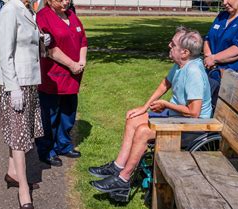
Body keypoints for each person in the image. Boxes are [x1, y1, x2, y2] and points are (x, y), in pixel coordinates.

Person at [89, 27, 212, 196]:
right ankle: (118, 166)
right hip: (179, 118)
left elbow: (194, 112)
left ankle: (123, 180)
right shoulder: (180, 65)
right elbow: (165, 84)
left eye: (173, 44)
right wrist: (144, 107)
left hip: (193, 127)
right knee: (133, 119)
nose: (169, 45)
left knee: (143, 132)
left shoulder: (193, 72)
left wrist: (166, 105)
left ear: (184, 52)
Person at [0, 0, 48, 209]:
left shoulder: (27, 9)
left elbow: (24, 43)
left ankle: (12, 173)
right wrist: (13, 88)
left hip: (29, 81)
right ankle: (24, 189)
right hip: (15, 83)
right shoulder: (9, 11)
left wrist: (41, 38)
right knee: (19, 137)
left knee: (22, 131)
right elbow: (5, 55)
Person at [35, 0, 88, 167]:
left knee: (68, 112)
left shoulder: (71, 15)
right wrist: (72, 64)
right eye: (60, 0)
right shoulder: (43, 17)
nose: (65, 2)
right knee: (49, 115)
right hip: (53, 75)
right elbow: (50, 49)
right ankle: (46, 150)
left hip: (73, 75)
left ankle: (63, 145)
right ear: (49, 0)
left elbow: (82, 39)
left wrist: (81, 61)